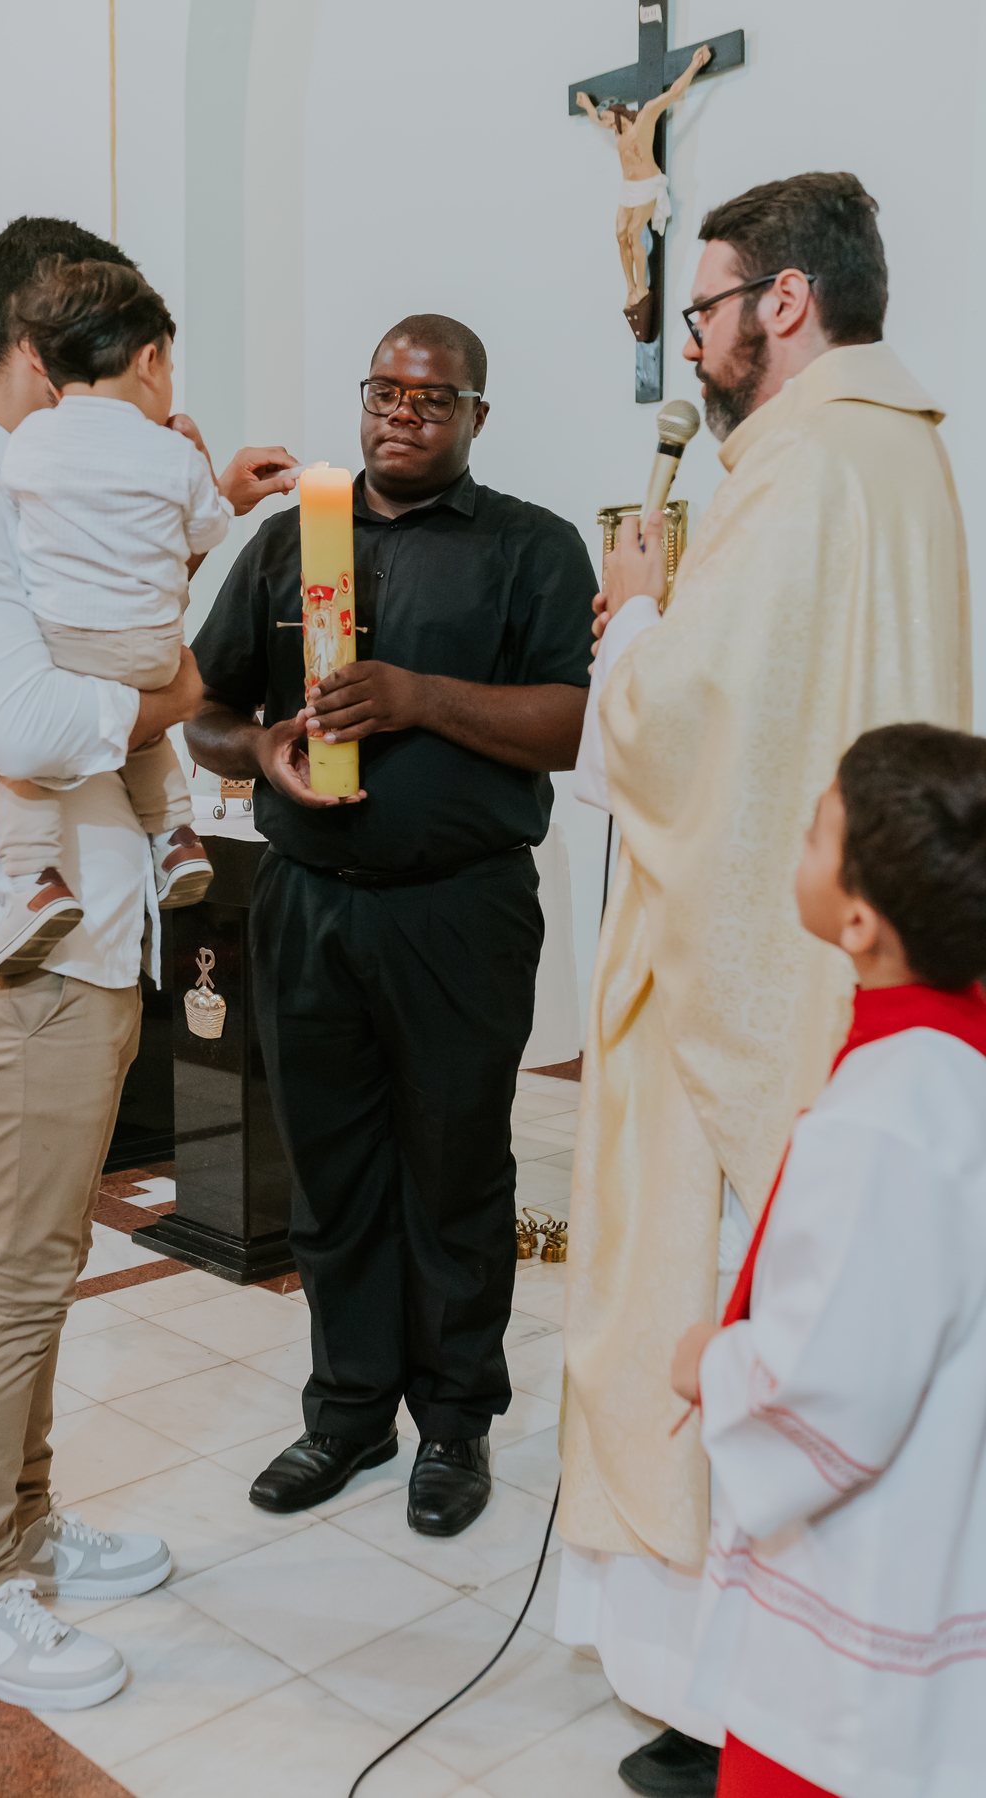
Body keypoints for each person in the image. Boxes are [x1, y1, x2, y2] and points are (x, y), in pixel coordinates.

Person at [556, 173, 970, 1796]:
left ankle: (718, 1686)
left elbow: (688, 727)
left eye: (709, 306)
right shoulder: (899, 449)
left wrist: (635, 617)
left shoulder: (804, 468)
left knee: (729, 1293)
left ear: (784, 302)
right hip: (868, 968)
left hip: (767, 977)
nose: (695, 341)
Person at [0, 213, 297, 1711]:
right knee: (16, 1276)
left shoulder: (33, 489)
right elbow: (38, 727)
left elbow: (112, 641)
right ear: (44, 360)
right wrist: (177, 688)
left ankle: (27, 1526)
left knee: (45, 1264)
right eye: (108, 371)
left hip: (82, 946)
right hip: (9, 960)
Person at [186, 314, 596, 1535]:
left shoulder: (529, 546)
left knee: (455, 1168)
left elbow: (572, 725)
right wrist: (258, 745)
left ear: (477, 415)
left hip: (459, 909)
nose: (402, 414)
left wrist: (417, 696)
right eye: (385, 392)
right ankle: (351, 1410)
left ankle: (457, 1422)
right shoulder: (288, 543)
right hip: (308, 903)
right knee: (333, 1169)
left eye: (432, 398)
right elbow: (203, 709)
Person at [673, 722, 986, 1798]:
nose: (797, 845)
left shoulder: (889, 1117)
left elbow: (836, 1387)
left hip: (868, 1611)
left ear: (859, 919)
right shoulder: (948, 1060)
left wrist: (711, 1363)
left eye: (816, 831)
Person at [0, 256, 229, 980]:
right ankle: (177, 837)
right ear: (149, 360)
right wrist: (199, 469)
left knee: (19, 757)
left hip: (63, 642)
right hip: (153, 648)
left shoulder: (31, 440)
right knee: (141, 729)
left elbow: (12, 513)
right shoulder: (172, 452)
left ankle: (35, 880)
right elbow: (208, 530)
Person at [575, 45, 712, 336]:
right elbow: (597, 119)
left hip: (647, 185)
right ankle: (630, 288)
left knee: (634, 233)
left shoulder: (645, 118)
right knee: (620, 235)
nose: (606, 124)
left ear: (619, 115)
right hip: (628, 188)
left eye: (609, 119)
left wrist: (694, 65)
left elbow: (674, 92)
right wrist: (587, 105)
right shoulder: (618, 131)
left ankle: (642, 288)